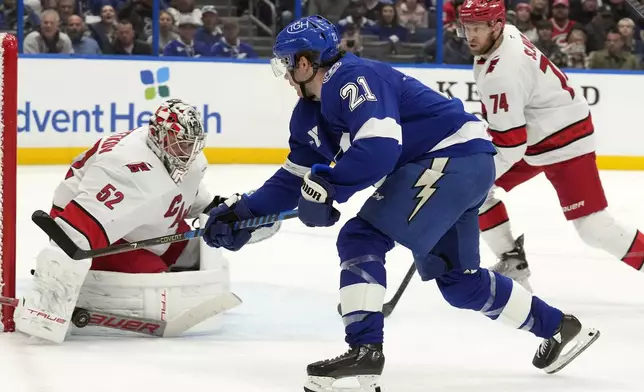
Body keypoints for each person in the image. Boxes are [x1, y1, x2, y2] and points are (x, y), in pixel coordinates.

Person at [202, 15, 600, 392]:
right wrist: (244, 212)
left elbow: (379, 149)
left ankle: (364, 351)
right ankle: (559, 328)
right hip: (460, 164)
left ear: (305, 63)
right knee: (459, 282)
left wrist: (330, 187)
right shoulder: (308, 112)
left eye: (288, 65)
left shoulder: (353, 80)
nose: (286, 75)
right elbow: (292, 180)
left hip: (451, 158)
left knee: (361, 237)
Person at [14, 99, 278, 343]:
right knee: (156, 276)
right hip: (85, 221)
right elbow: (72, 234)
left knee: (193, 254)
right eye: (183, 143)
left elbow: (188, 199)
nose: (190, 151)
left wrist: (229, 212)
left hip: (142, 220)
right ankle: (96, 295)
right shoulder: (125, 168)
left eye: (193, 143)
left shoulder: (184, 157)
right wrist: (52, 296)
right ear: (161, 138)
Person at [458, 0, 644, 292]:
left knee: (593, 228)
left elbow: (510, 146)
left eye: (478, 28)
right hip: (539, 133)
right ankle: (512, 262)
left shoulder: (501, 74)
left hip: (564, 140)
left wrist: (474, 176)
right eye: (466, 27)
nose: (470, 35)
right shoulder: (507, 33)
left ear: (496, 25)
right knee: (473, 193)